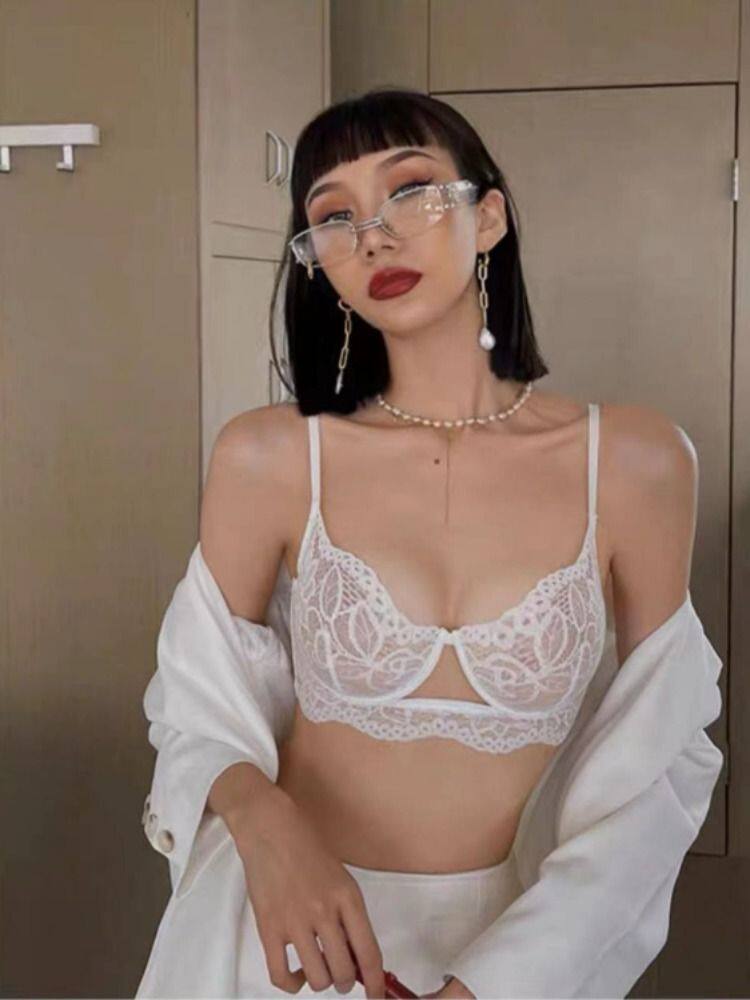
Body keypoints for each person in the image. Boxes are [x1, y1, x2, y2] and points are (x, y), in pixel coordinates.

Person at [136, 87, 721, 1000]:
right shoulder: (269, 456)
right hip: (280, 938)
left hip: (512, 951)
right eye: (334, 216)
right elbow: (194, 705)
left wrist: (496, 984)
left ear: (488, 217)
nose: (373, 237)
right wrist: (263, 822)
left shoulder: (636, 463)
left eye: (409, 192)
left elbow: (657, 765)